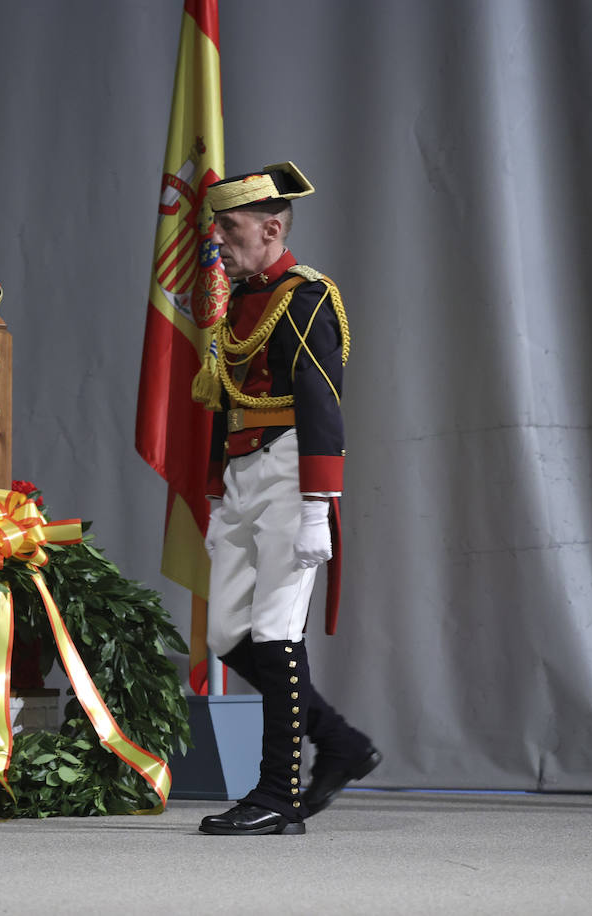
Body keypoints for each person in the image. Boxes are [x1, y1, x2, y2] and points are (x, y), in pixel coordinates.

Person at [192, 162, 380, 836]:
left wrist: (315, 505)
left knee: (275, 631)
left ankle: (278, 796)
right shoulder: (240, 301)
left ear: (272, 228)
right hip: (244, 473)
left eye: (231, 228)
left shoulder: (305, 297)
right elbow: (223, 400)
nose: (218, 242)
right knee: (226, 634)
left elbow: (321, 404)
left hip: (291, 471)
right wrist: (216, 495)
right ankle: (342, 744)